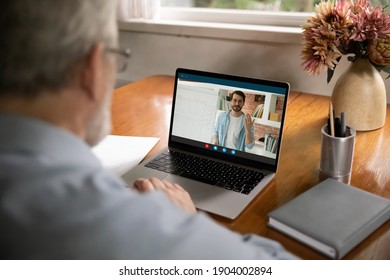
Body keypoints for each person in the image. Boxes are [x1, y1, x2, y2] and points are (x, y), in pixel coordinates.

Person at [0, 0, 296, 259]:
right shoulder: (124, 221)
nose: (234, 103)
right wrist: (187, 221)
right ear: (92, 69)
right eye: (114, 58)